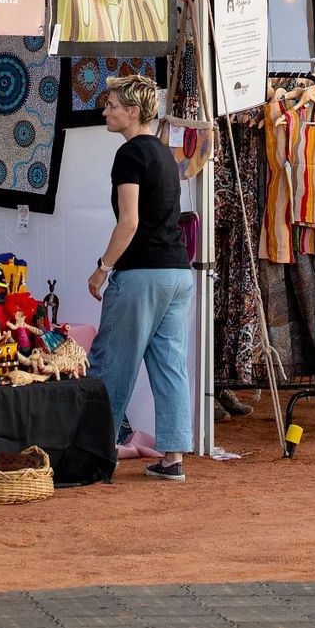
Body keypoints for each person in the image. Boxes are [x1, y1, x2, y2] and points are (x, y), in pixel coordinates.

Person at [84, 73, 195, 483]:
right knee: (170, 366)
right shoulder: (165, 154)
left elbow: (128, 222)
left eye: (112, 105)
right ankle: (173, 457)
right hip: (176, 272)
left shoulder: (129, 155)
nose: (105, 111)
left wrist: (103, 267)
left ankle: (96, 453)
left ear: (133, 112)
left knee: (112, 362)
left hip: (142, 272)